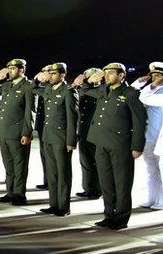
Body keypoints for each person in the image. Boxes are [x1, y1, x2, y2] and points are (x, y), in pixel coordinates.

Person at [74, 64, 147, 229]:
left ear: (122, 76)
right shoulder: (102, 90)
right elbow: (84, 91)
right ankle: (109, 215)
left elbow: (140, 122)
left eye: (111, 73)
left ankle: (121, 219)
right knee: (106, 182)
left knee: (122, 183)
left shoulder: (130, 94)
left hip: (120, 145)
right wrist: (88, 80)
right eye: (105, 73)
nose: (106, 76)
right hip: (101, 143)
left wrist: (137, 147)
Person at [0, 59, 35, 206]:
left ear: (22, 70)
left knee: (20, 166)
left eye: (13, 69)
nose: (10, 71)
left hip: (18, 133)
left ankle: (19, 194)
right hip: (4, 131)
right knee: (8, 166)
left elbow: (30, 112)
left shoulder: (28, 86)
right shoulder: (7, 85)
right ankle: (10, 192)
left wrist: (27, 133)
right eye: (9, 68)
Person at [37, 63, 77, 216]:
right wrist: (38, 79)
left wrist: (71, 141)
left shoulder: (68, 91)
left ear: (62, 75)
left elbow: (72, 117)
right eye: (50, 73)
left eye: (54, 73)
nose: (50, 76)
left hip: (61, 138)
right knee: (52, 173)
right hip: (48, 136)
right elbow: (33, 88)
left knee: (63, 174)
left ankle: (64, 206)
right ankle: (53, 204)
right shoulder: (48, 88)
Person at [133, 62, 163, 209]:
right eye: (153, 76)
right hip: (149, 137)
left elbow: (143, 98)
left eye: (159, 75)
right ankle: (152, 198)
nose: (155, 79)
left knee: (161, 170)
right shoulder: (150, 89)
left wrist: (150, 86)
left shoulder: (157, 92)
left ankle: (162, 200)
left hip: (159, 138)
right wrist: (140, 82)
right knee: (151, 170)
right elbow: (132, 93)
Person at [74, 67, 102, 200]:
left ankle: (97, 190)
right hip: (83, 132)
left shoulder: (101, 90)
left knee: (97, 163)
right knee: (86, 162)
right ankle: (88, 188)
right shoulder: (83, 90)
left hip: (96, 133)